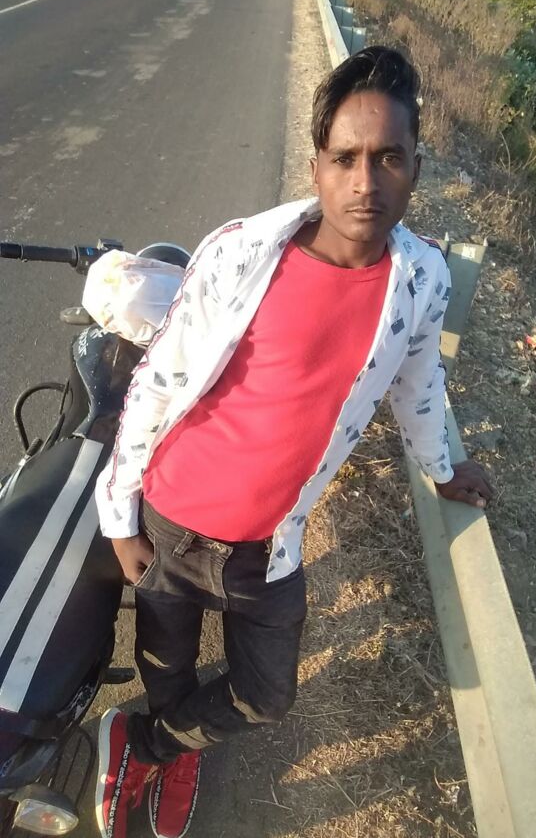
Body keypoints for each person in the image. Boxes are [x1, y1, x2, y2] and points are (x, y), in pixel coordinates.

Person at [94, 45, 493, 838]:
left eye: (389, 157)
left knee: (267, 693)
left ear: (416, 168)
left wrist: (443, 469)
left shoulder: (421, 281)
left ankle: (148, 742)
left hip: (268, 546)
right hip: (173, 521)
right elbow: (158, 382)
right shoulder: (242, 252)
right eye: (346, 157)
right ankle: (166, 741)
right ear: (316, 167)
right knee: (167, 666)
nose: (366, 181)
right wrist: (120, 515)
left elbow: (419, 388)